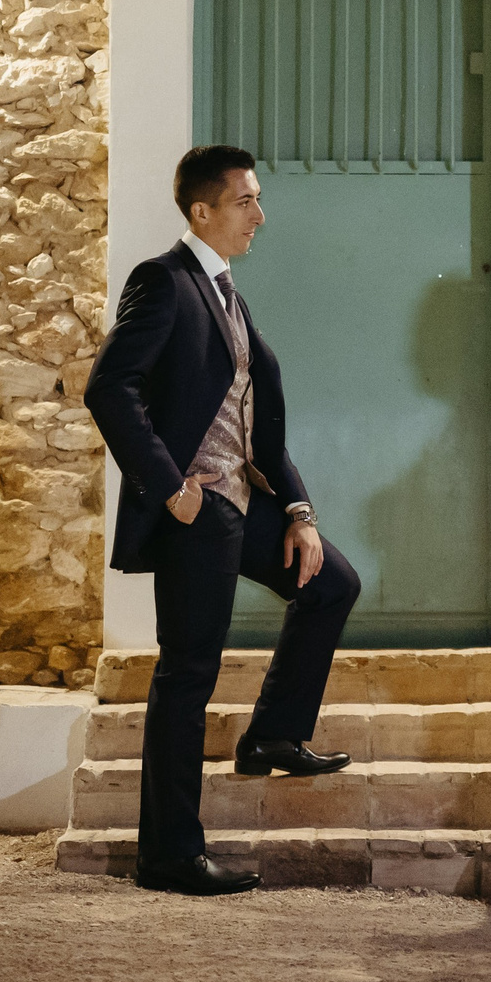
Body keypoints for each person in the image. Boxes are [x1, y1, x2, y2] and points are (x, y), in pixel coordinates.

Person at [86, 146, 361, 897]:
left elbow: (256, 427)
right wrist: (171, 488)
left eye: (258, 199)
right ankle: (169, 853)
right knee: (187, 675)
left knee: (331, 581)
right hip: (196, 513)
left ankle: (273, 731)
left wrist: (299, 511)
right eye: (246, 201)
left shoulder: (230, 295)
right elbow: (110, 389)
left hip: (246, 499)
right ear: (202, 210)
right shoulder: (164, 282)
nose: (260, 215)